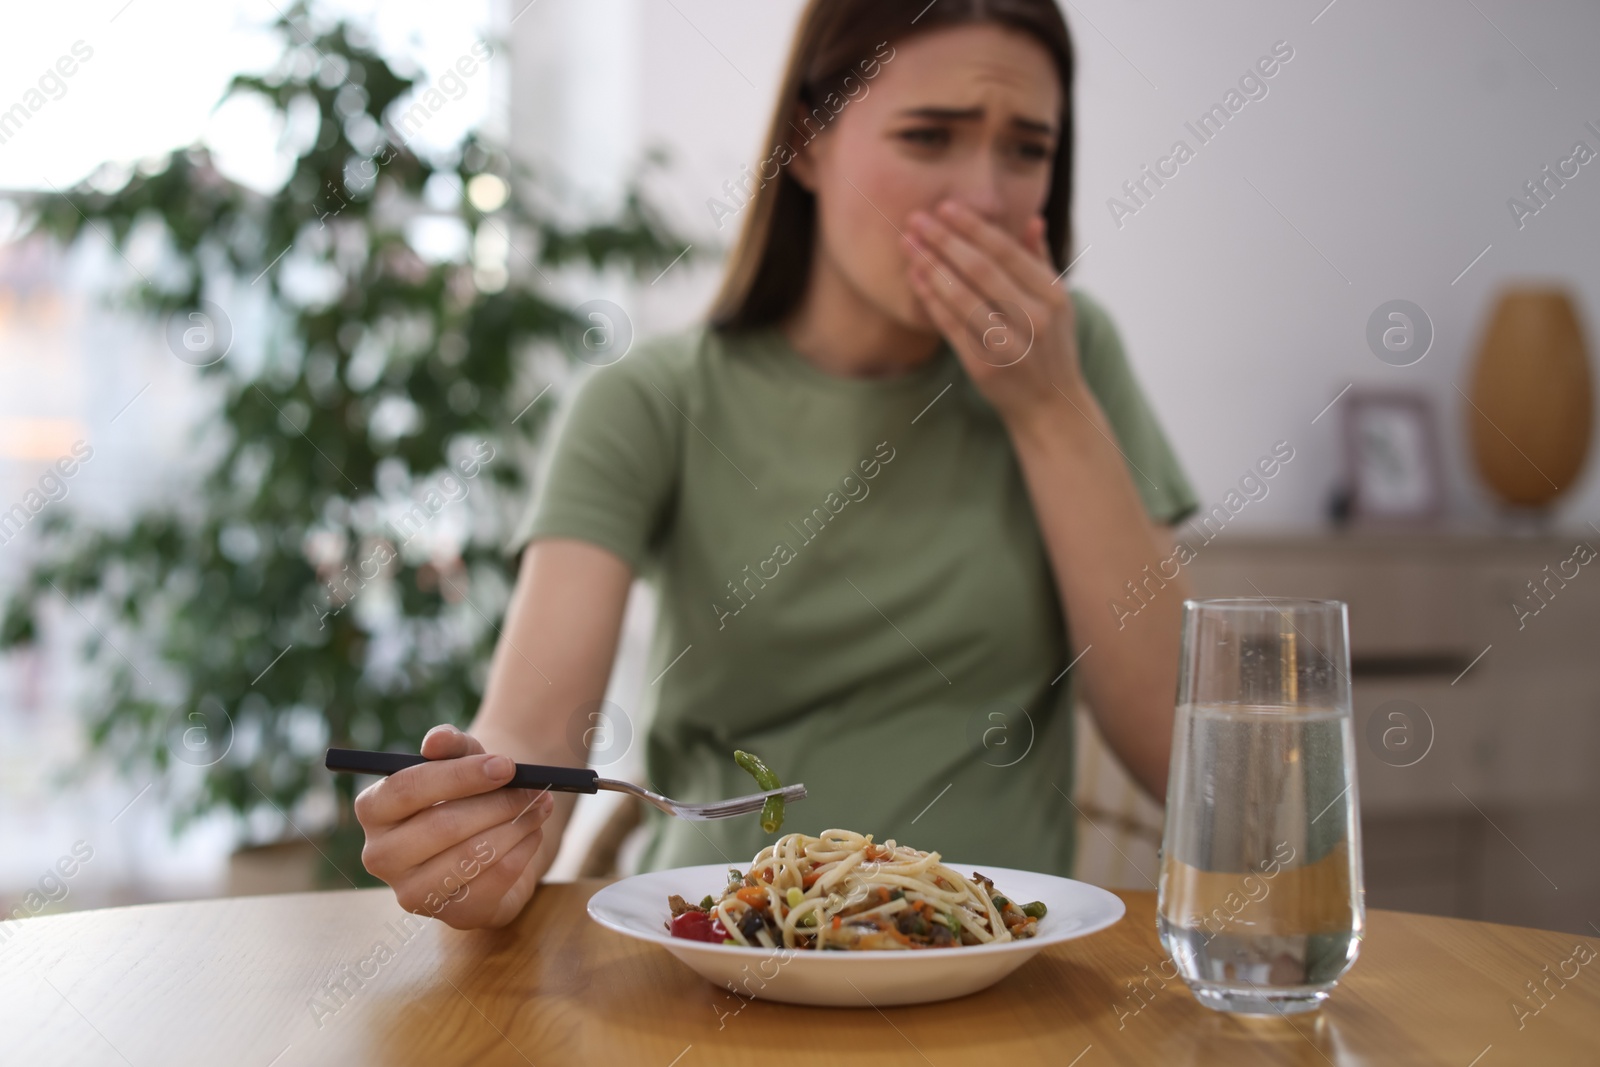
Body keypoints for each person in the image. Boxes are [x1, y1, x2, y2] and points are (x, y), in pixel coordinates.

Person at [355, 0, 1197, 930]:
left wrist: (1047, 410)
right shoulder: (650, 401)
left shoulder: (1074, 363)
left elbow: (1186, 762)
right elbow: (527, 740)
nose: (986, 197)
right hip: (723, 966)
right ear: (807, 141)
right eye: (929, 137)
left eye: (1027, 149)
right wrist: (480, 831)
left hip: (993, 970)